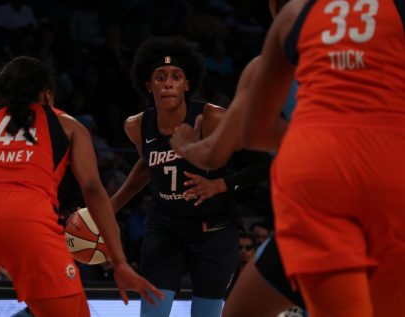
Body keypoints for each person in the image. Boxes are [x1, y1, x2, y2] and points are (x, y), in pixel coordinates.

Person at [172, 0, 405, 316]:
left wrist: (185, 146)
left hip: (317, 178)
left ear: (273, 7)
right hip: (391, 177)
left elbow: (225, 147)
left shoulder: (295, 16)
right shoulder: (395, 14)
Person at [0, 56, 163, 317]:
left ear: (3, 91)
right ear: (47, 95)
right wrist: (119, 261)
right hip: (28, 215)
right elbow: (93, 189)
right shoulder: (68, 125)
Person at [110, 36, 240, 317]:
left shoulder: (212, 119)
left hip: (212, 232)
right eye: (160, 77)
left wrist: (220, 184)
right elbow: (147, 164)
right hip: (165, 230)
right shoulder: (136, 126)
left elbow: (253, 165)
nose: (168, 83)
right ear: (148, 85)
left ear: (187, 84)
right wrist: (111, 206)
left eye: (176, 76)